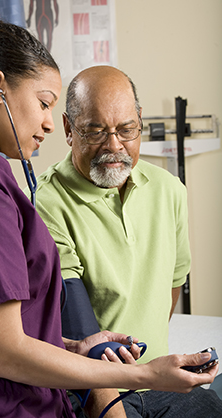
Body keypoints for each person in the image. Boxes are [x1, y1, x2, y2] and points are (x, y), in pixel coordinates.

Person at [0, 12, 219, 418]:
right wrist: (145, 374)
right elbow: (3, 353)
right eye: (43, 103)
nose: (46, 123)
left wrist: (78, 347)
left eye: (126, 129)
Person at [32, 65, 222, 417]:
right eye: (95, 131)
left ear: (140, 124)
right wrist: (112, 410)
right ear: (69, 130)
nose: (113, 146)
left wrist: (150, 370)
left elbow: (171, 287)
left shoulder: (169, 191)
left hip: (159, 381)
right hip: (90, 390)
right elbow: (77, 326)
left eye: (126, 129)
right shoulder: (47, 201)